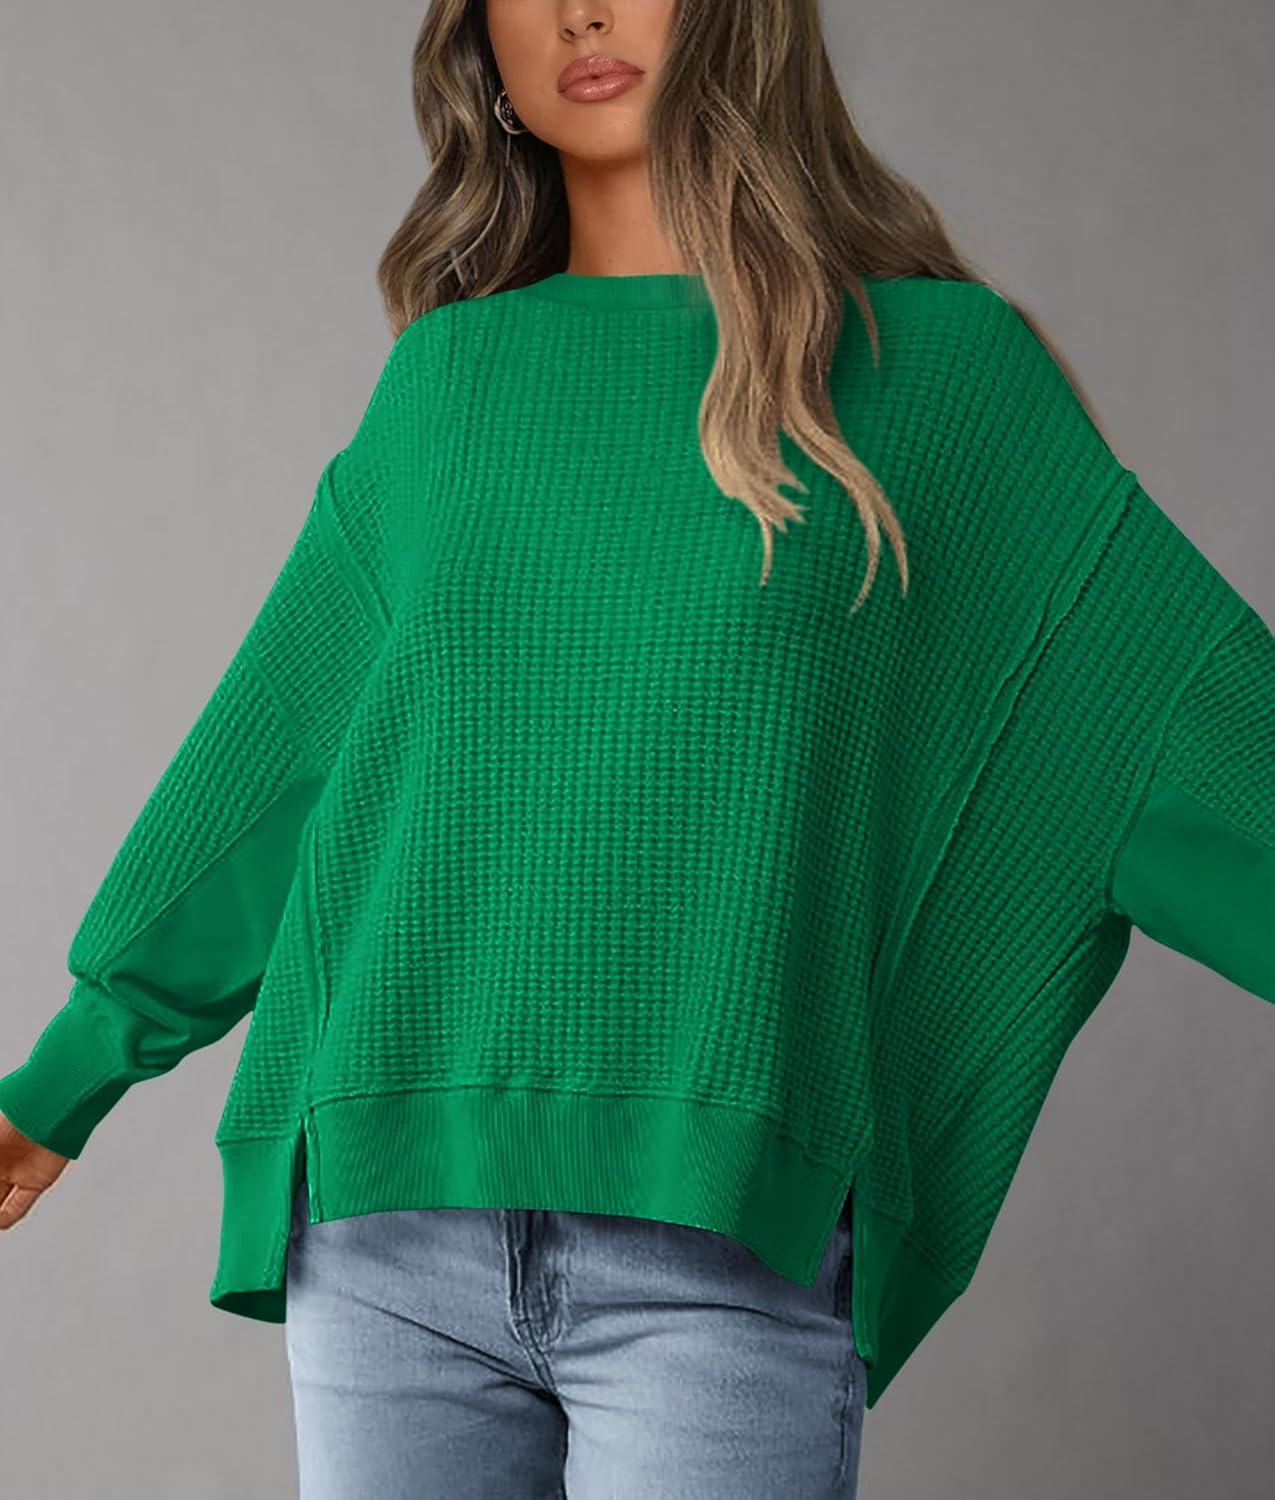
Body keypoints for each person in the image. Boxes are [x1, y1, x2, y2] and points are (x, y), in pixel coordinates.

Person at [2, 2, 1272, 1497]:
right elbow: (278, 767)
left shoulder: (940, 377)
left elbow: (1178, 734)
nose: (582, 13)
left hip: (717, 1251)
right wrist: (65, 1077)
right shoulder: (450, 381)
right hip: (385, 1235)